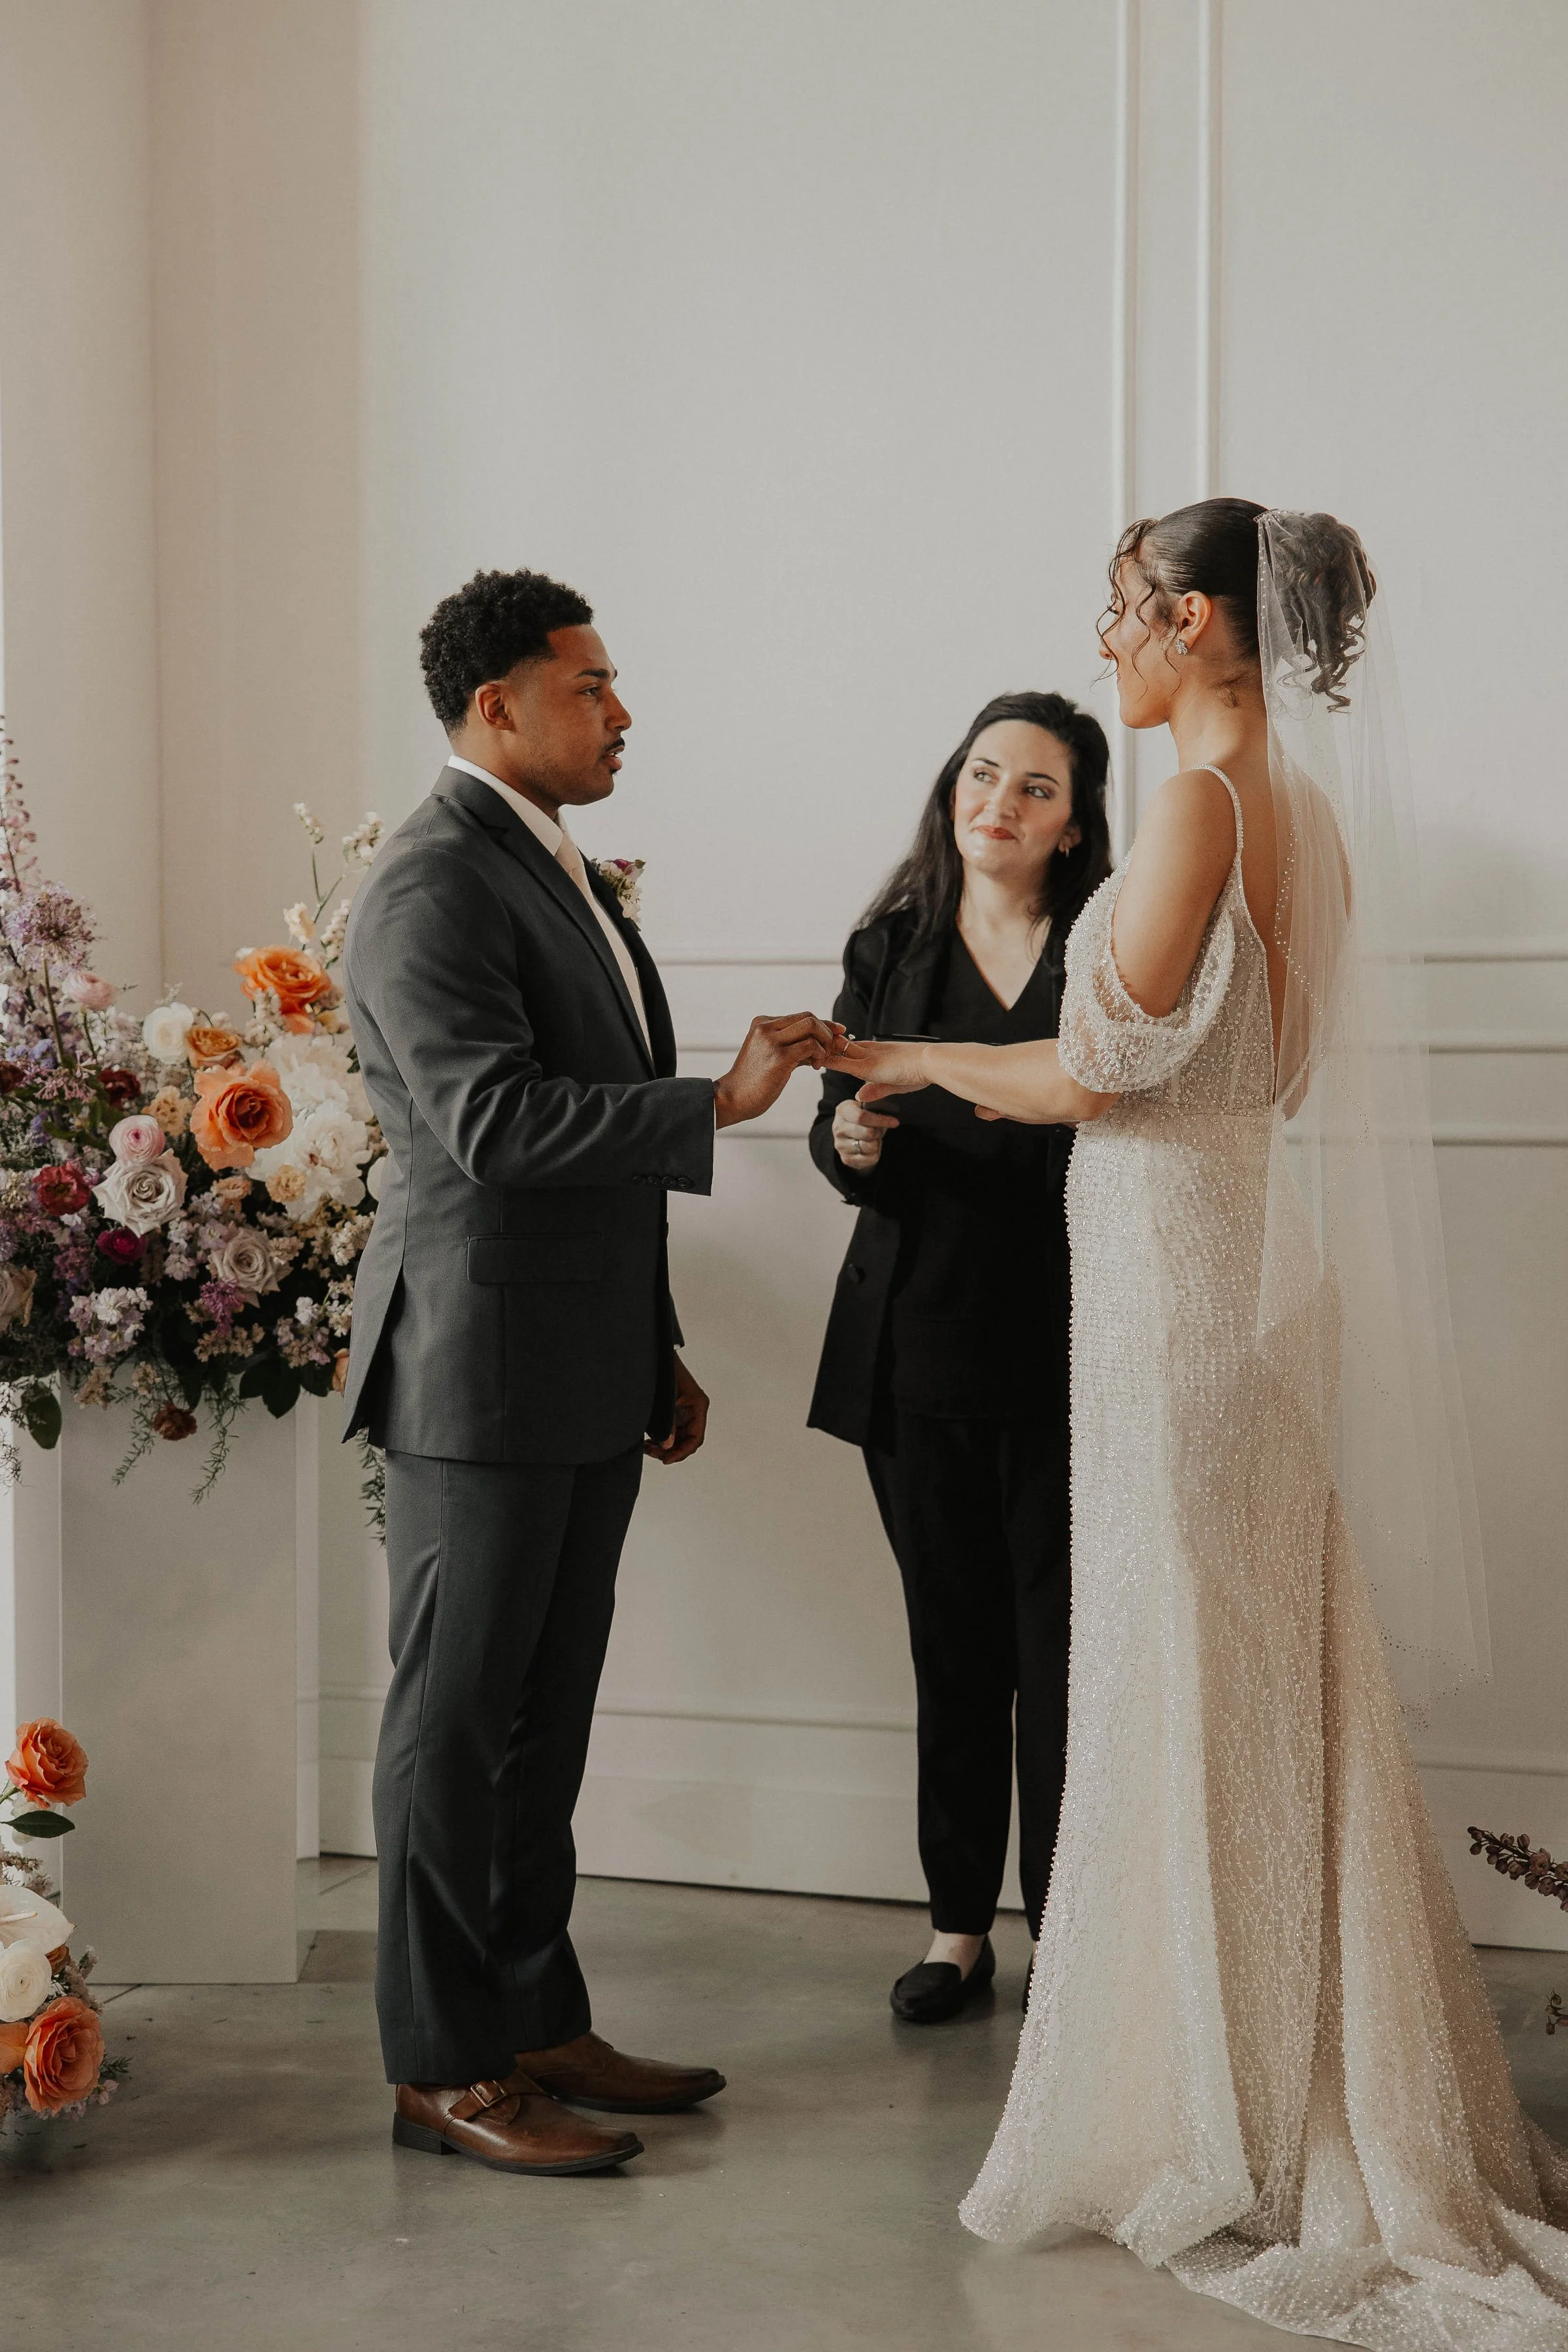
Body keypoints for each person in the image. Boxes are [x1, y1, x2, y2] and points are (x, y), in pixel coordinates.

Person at [829, 502, 1568, 2344]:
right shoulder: (1298, 814)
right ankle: (1272, 2060)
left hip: (1176, 1292)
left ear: (1193, 621)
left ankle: (1219, 2102)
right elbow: (1273, 1066)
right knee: (1244, 1678)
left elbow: (1094, 1076)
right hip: (1233, 1263)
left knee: (1186, 1675)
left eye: (1120, 611)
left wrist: (905, 1055)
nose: (1107, 646)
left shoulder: (1198, 810)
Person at [341, 568, 838, 2176]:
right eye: (592, 685)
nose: (623, 712)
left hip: (577, 1363)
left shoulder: (550, 865)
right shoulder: (432, 882)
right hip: (474, 1377)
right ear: (498, 707)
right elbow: (492, 1125)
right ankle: (443, 2069)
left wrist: (653, 1344)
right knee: (453, 1733)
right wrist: (721, 1103)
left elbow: (578, 1140)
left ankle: (535, 2019)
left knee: (539, 1731)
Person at [806, 692, 1110, 2023]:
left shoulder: (1107, 946)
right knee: (955, 1653)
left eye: (1035, 787)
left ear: (1074, 824)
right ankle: (957, 1932)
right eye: (982, 775)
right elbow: (840, 1129)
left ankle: (1069, 1936)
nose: (1000, 803)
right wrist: (849, 1143)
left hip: (1069, 1349)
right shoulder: (890, 945)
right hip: (915, 1351)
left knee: (1063, 1663)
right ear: (952, 790)